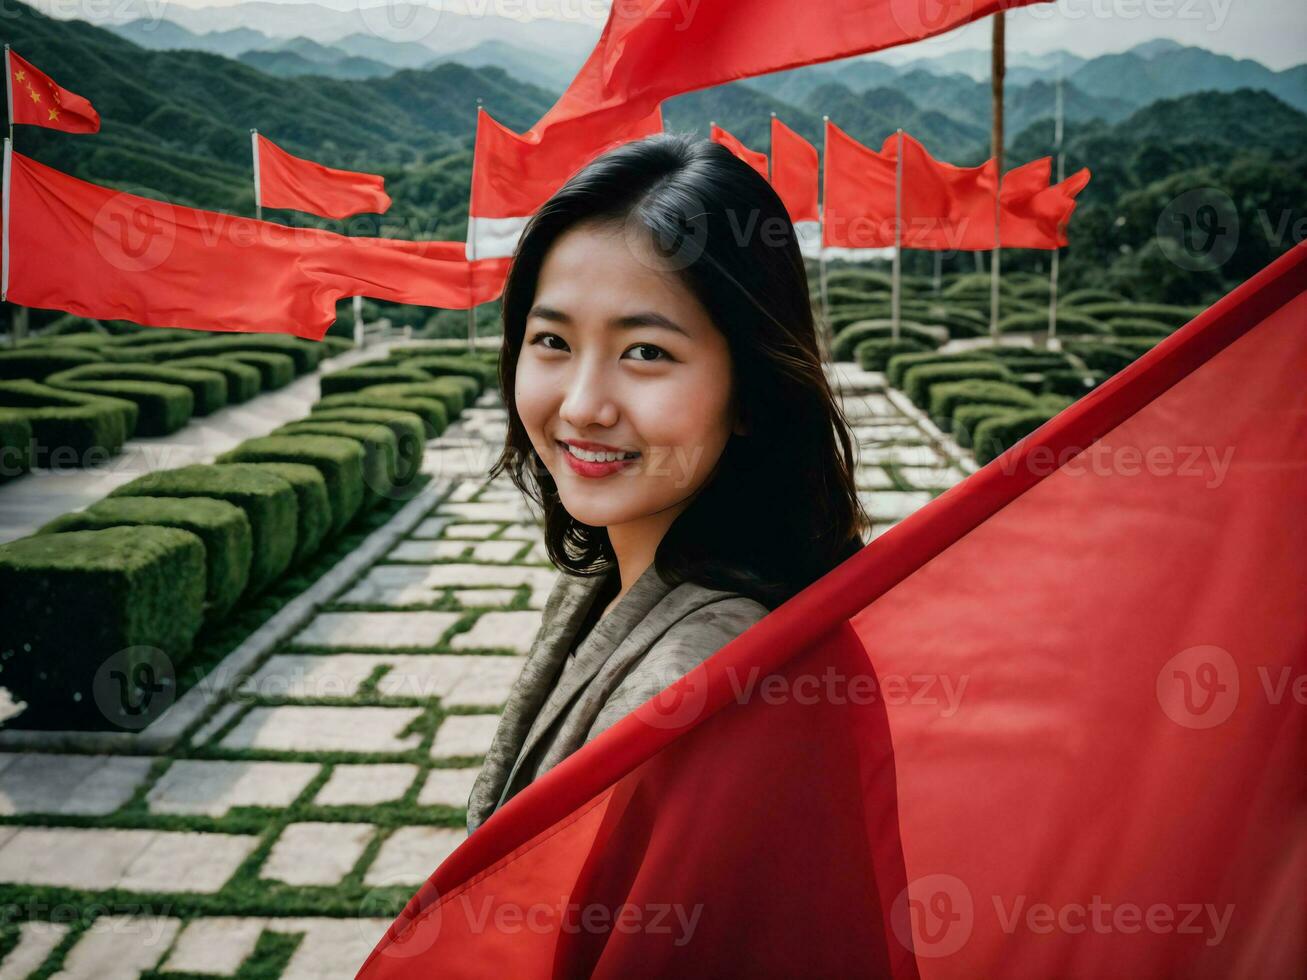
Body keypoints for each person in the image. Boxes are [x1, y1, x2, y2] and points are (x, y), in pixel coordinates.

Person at [465, 131, 871, 834]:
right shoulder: (614, 577)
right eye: (553, 342)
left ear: (750, 389)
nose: (583, 406)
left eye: (645, 352)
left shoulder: (706, 689)